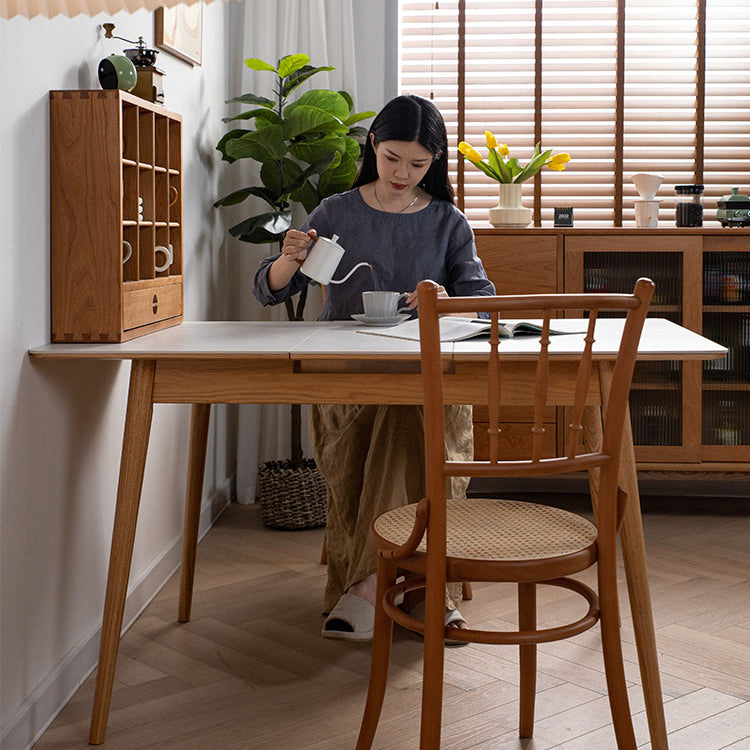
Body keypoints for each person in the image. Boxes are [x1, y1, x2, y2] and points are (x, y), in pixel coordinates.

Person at [253, 94, 495, 641]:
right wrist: (289, 259)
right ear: (372, 147)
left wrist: (441, 298)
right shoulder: (336, 213)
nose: (403, 173)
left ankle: (365, 586)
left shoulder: (446, 221)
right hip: (348, 378)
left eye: (418, 164)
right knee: (400, 416)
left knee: (409, 412)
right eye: (392, 159)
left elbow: (481, 300)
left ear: (435, 163)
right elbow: (269, 293)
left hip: (427, 374)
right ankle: (428, 588)